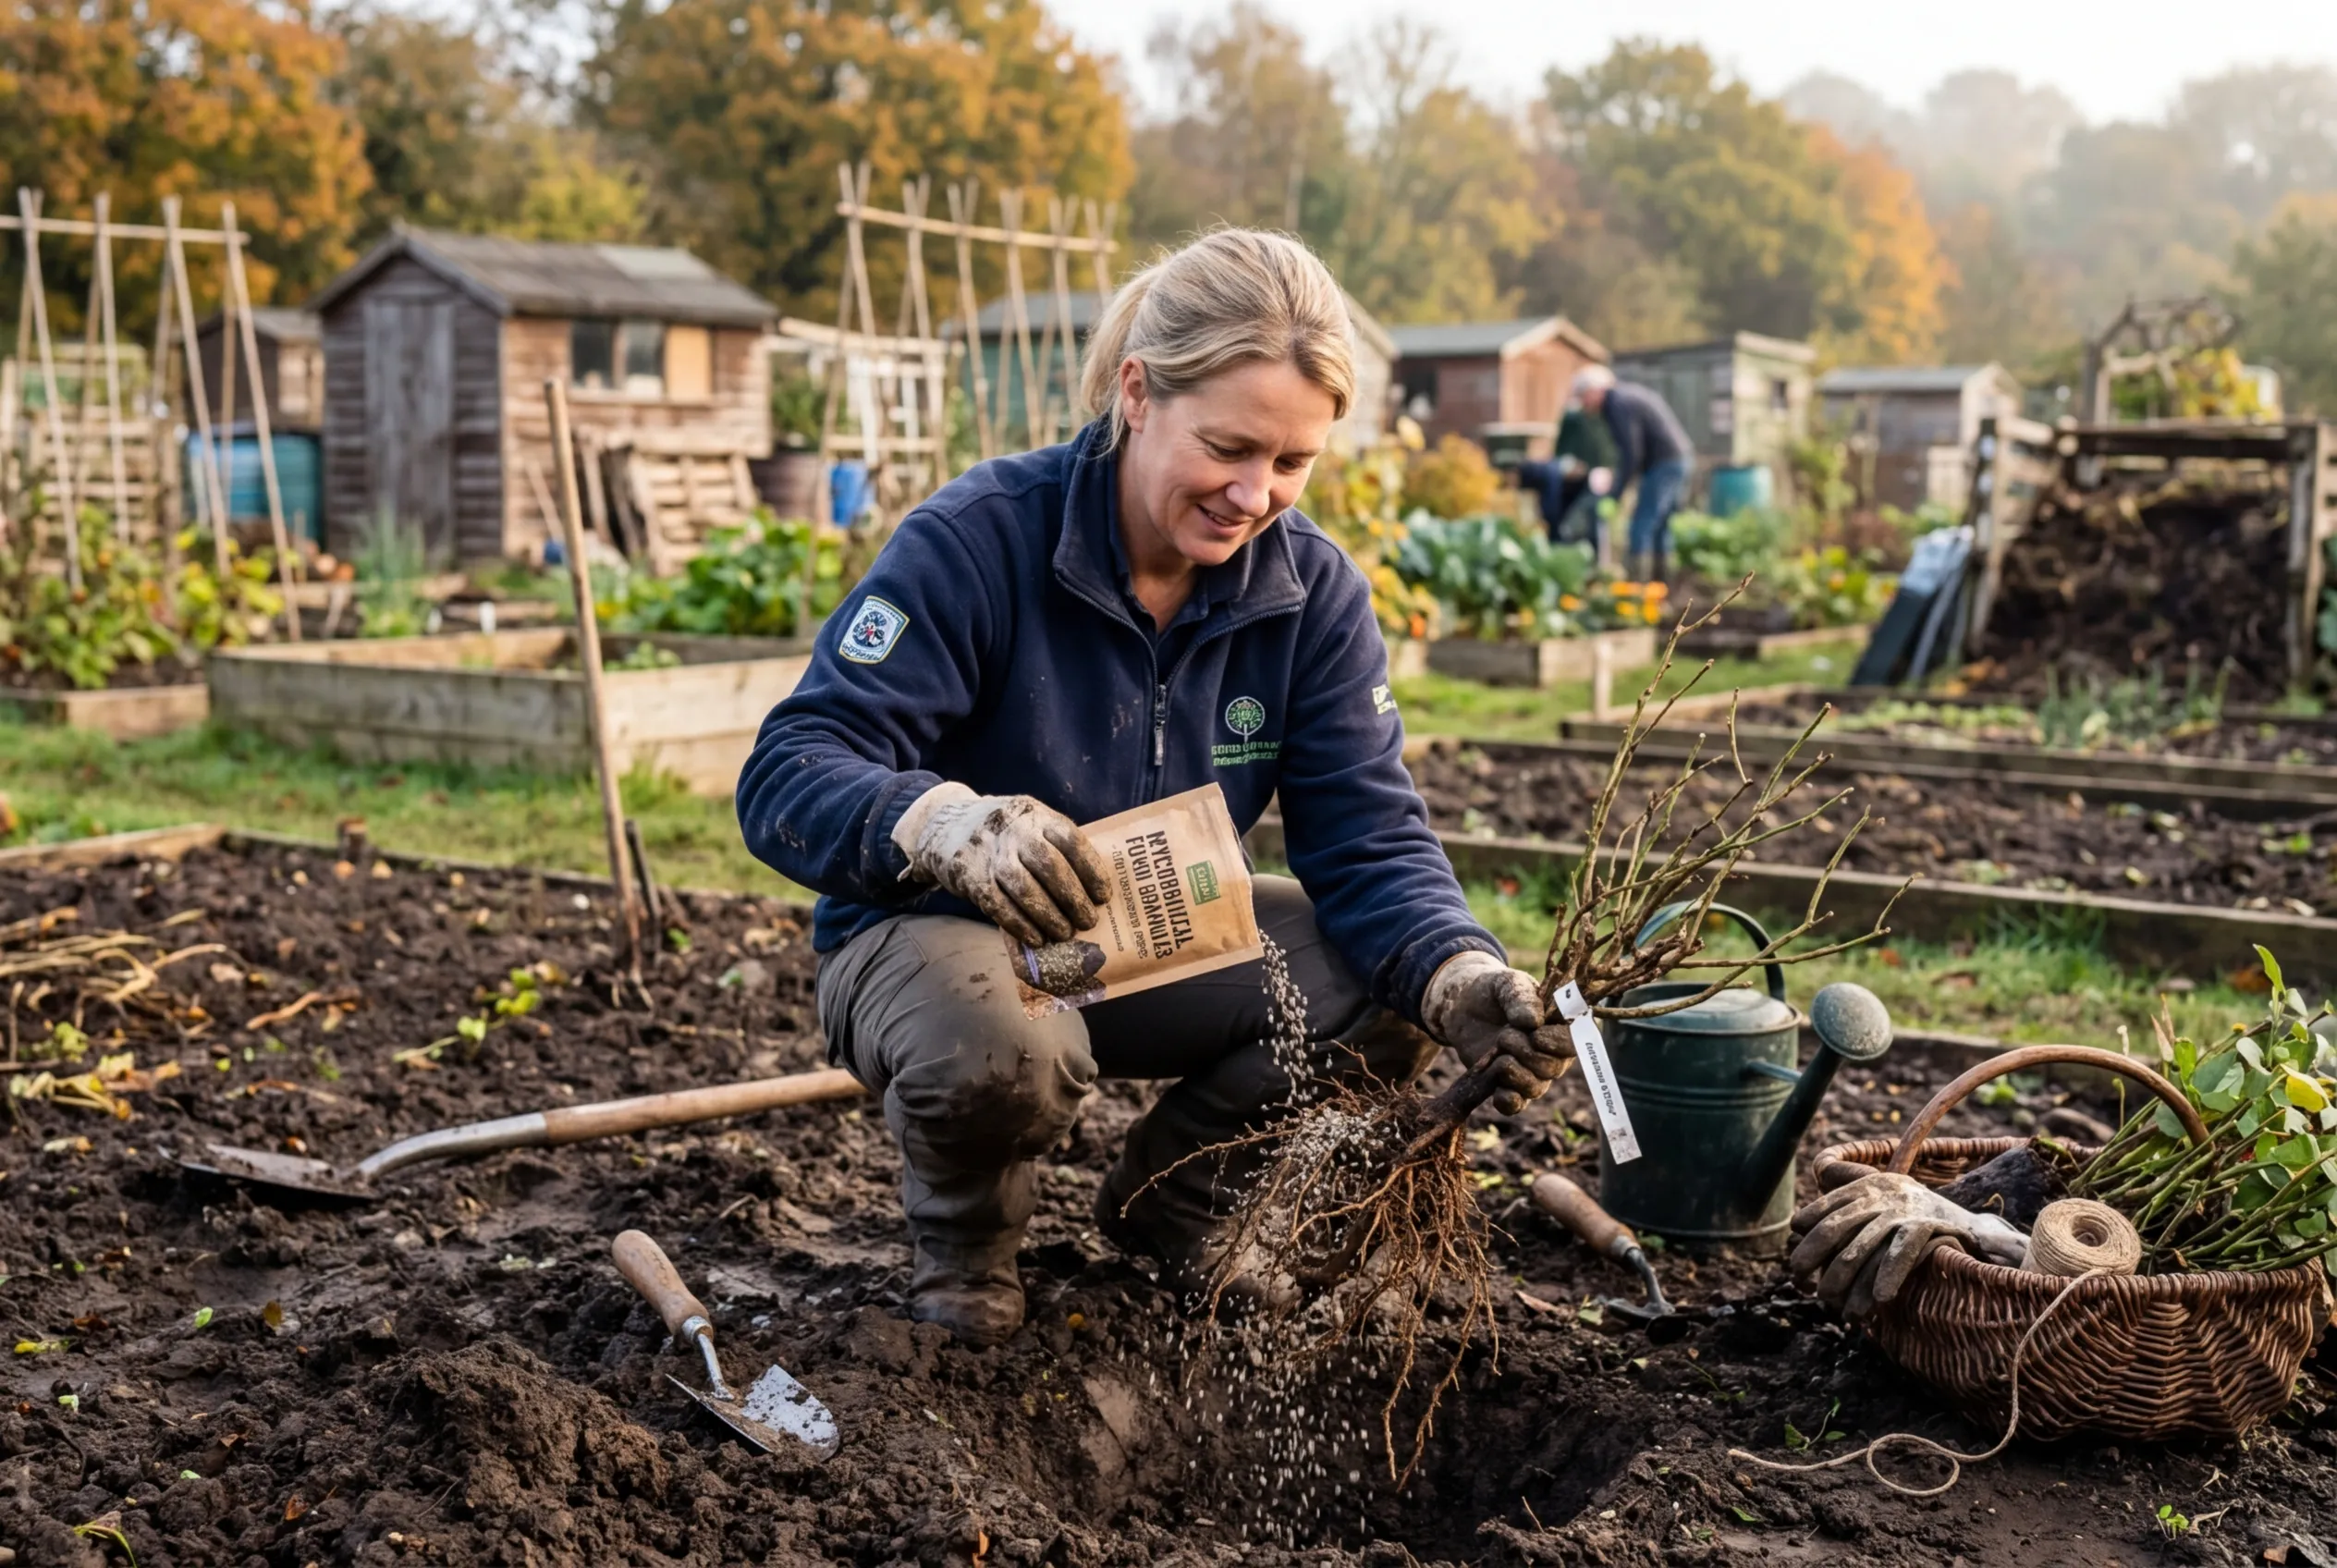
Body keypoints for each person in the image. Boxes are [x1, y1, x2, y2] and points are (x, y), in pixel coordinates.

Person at [737, 228, 1572, 1347]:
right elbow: (790, 766)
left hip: (1150, 930)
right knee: (999, 1047)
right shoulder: (977, 542)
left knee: (1393, 978)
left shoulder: (1308, 594)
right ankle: (970, 1252)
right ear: (1137, 392)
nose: (1252, 494)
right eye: (1226, 446)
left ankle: (1176, 1204)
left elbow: (1369, 839)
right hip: (939, 941)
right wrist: (943, 823)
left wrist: (1460, 974)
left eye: (1291, 464)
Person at [1571, 364, 1692, 581]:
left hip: (1664, 462)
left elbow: (1631, 454)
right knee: (1659, 525)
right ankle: (1661, 588)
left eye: (1583, 397)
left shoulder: (1618, 404)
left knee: (1642, 524)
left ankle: (1639, 588)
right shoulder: (1623, 399)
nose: (1583, 405)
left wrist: (1615, 495)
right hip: (1675, 459)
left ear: (1595, 390)